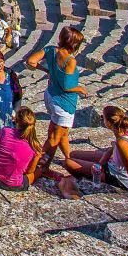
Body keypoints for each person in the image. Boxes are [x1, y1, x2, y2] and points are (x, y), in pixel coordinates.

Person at [27, 26, 88, 176]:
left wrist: (46, 70)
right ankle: (37, 165)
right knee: (53, 138)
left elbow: (31, 62)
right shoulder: (70, 60)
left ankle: (69, 158)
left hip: (50, 96)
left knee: (62, 133)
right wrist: (80, 88)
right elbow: (67, 86)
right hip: (64, 102)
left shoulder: (50, 50)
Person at [62, 105, 128, 193]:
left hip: (117, 176)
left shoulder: (122, 143)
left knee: (68, 162)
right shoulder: (125, 131)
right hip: (113, 164)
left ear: (108, 123)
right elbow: (113, 148)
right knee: (73, 154)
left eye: (103, 117)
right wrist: (101, 162)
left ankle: (85, 180)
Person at [0, 107, 45, 191]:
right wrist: (37, 158)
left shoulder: (5, 131)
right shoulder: (32, 147)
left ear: (16, 120)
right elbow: (29, 171)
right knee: (38, 171)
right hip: (10, 183)